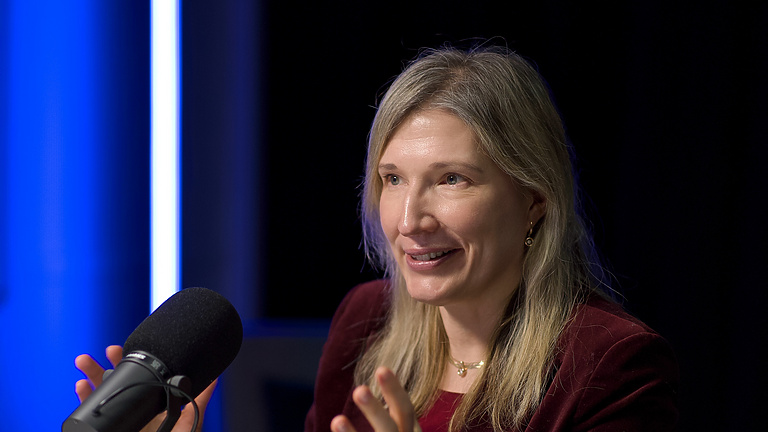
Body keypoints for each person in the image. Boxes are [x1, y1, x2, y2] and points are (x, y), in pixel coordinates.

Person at [304, 46, 679, 432]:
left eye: (451, 179)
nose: (408, 221)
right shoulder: (365, 320)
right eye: (393, 179)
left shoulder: (611, 364)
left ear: (534, 199)